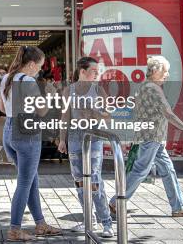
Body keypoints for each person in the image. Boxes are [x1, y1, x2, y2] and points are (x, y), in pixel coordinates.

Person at [108, 56, 183, 217]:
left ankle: (178, 207)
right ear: (156, 71)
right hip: (151, 137)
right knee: (141, 170)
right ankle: (116, 202)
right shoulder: (153, 88)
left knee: (168, 170)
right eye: (165, 71)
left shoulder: (145, 86)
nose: (167, 74)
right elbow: (169, 115)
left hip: (153, 138)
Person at [0, 46, 61, 241]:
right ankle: (15, 229)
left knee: (31, 180)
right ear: (32, 64)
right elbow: (42, 111)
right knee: (25, 182)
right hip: (27, 132)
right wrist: (50, 94)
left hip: (9, 131)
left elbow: (2, 108)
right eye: (40, 67)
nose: (40, 70)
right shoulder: (28, 81)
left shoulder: (6, 78)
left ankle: (40, 224)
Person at [56, 56, 114, 237]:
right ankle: (89, 220)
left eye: (98, 71)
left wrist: (96, 113)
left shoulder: (98, 90)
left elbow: (108, 116)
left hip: (94, 137)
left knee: (94, 179)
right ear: (82, 71)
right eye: (94, 71)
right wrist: (61, 139)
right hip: (74, 138)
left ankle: (106, 222)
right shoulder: (69, 91)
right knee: (79, 180)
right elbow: (65, 116)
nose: (97, 74)